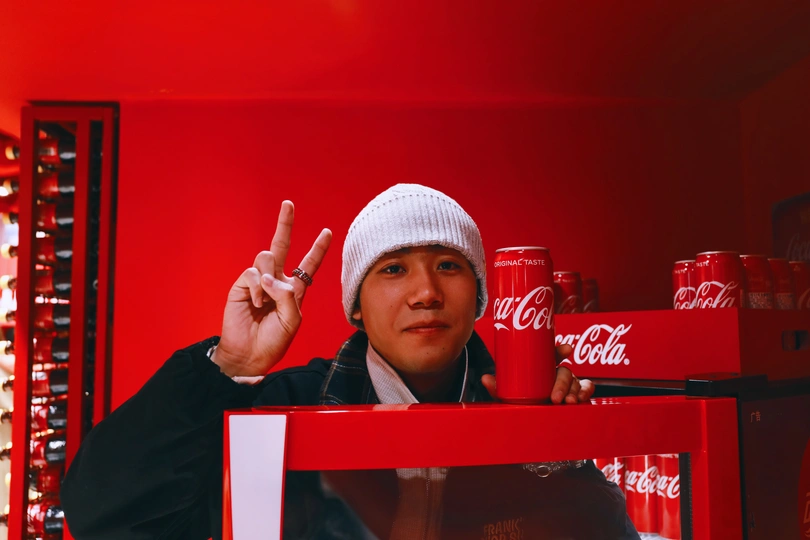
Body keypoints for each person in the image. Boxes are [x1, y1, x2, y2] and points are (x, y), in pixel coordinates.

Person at [61, 184, 639, 539]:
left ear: (480, 296)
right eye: (393, 269)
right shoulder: (283, 409)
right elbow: (106, 517)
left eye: (448, 265)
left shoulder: (524, 412)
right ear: (355, 308)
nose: (426, 292)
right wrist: (228, 365)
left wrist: (558, 443)